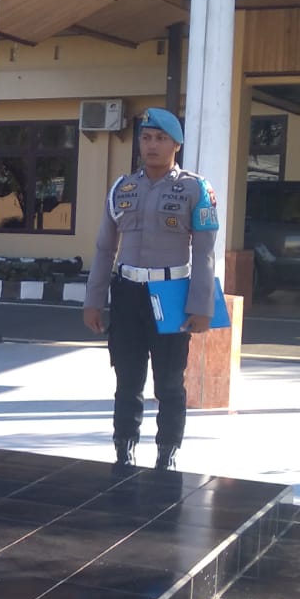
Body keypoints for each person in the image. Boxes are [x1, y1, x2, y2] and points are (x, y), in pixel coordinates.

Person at [82, 107, 218, 472]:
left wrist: (202, 305)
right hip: (127, 293)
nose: (152, 145)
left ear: (176, 144)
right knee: (127, 379)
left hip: (171, 294)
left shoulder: (196, 189)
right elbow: (104, 248)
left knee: (170, 382)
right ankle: (124, 448)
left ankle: (167, 453)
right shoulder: (122, 188)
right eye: (146, 138)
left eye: (160, 138)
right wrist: (94, 300)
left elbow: (205, 251)